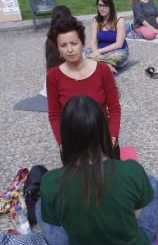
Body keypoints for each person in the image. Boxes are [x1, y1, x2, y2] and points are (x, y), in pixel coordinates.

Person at [37, 96, 158, 245]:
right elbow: (136, 217)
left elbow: (58, 224)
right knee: (151, 183)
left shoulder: (51, 182)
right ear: (103, 131)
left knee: (39, 205)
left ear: (65, 137)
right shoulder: (130, 170)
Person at [46, 16, 121, 151]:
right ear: (58, 49)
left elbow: (114, 108)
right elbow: (54, 115)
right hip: (73, 142)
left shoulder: (103, 70)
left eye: (74, 43)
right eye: (63, 45)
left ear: (82, 43)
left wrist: (112, 136)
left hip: (103, 137)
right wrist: (62, 143)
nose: (69, 50)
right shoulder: (53, 76)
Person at [87, 0, 129, 69]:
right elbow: (93, 42)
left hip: (117, 51)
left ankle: (98, 64)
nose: (102, 8)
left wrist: (99, 52)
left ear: (110, 6)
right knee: (82, 53)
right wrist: (96, 52)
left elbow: (119, 44)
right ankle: (106, 66)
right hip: (100, 51)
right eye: (100, 5)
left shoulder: (119, 20)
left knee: (117, 56)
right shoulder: (95, 20)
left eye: (105, 5)